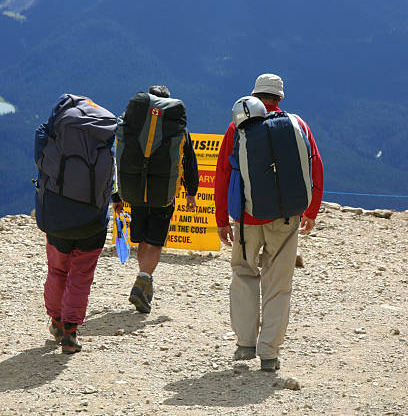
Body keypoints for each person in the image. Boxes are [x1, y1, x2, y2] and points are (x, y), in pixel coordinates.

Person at [215, 73, 323, 371]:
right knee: (279, 284)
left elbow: (224, 171)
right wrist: (310, 211)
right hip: (286, 218)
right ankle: (270, 354)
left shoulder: (238, 127)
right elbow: (316, 168)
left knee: (244, 274)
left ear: (254, 95)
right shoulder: (298, 125)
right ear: (279, 99)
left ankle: (245, 344)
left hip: (247, 219)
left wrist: (222, 218)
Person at [37, 94, 117, 355]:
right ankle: (71, 332)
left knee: (57, 270)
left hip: (57, 215)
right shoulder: (105, 135)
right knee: (81, 276)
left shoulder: (57, 137)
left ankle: (57, 320)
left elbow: (39, 154)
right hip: (92, 220)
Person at [112, 85, 199, 314]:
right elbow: (189, 161)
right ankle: (143, 280)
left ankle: (143, 280)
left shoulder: (130, 124)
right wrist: (191, 192)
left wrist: (116, 195)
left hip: (135, 192)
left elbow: (118, 158)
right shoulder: (178, 129)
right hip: (163, 193)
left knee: (142, 238)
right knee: (156, 240)